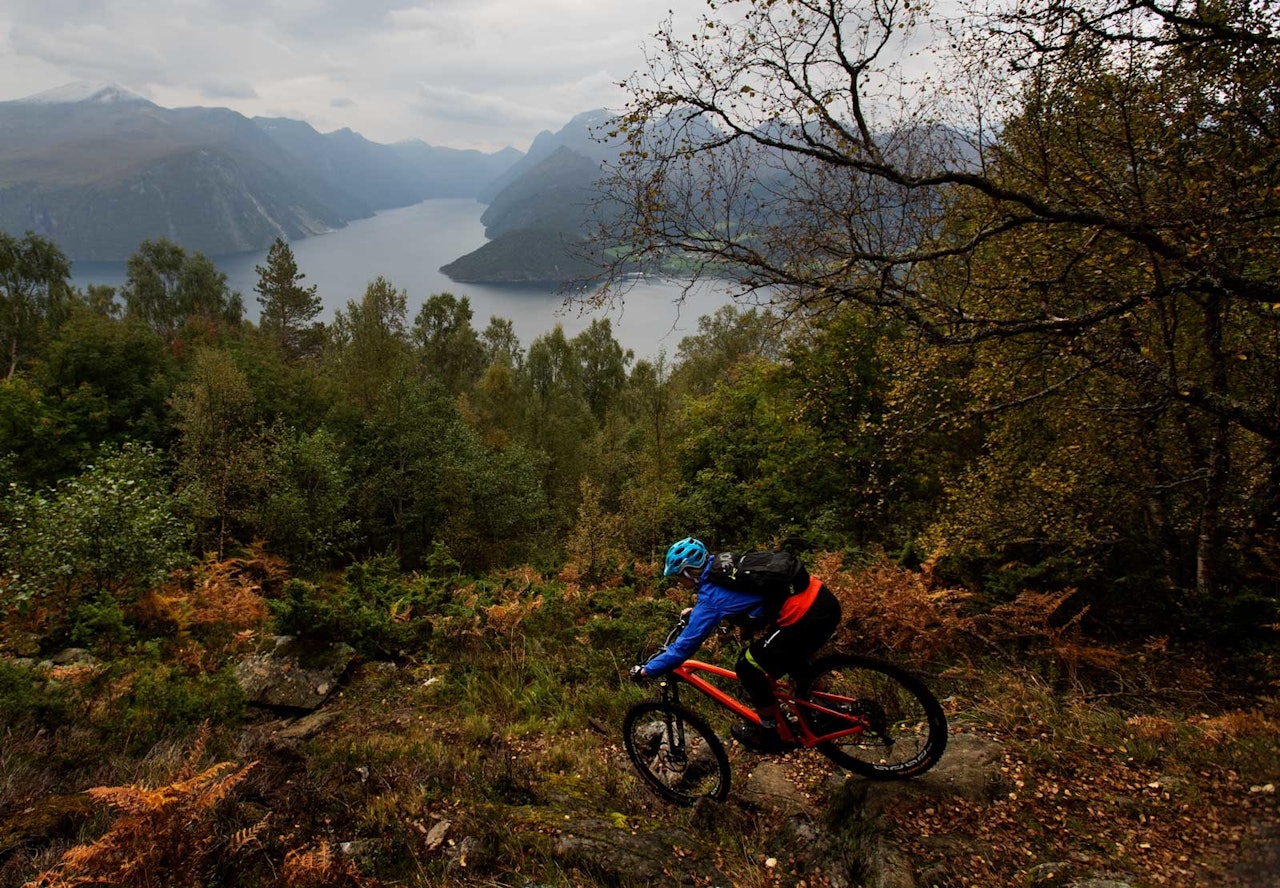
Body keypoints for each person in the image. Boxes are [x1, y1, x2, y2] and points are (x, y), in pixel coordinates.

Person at [630, 537, 843, 752]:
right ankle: (828, 711)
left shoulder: (710, 600)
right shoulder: (723, 565)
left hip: (805, 615)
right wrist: (696, 613)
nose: (678, 582)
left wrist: (647, 670)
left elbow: (684, 647)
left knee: (748, 666)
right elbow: (737, 596)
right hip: (820, 598)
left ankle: (771, 733)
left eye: (678, 576)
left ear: (689, 573)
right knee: (787, 657)